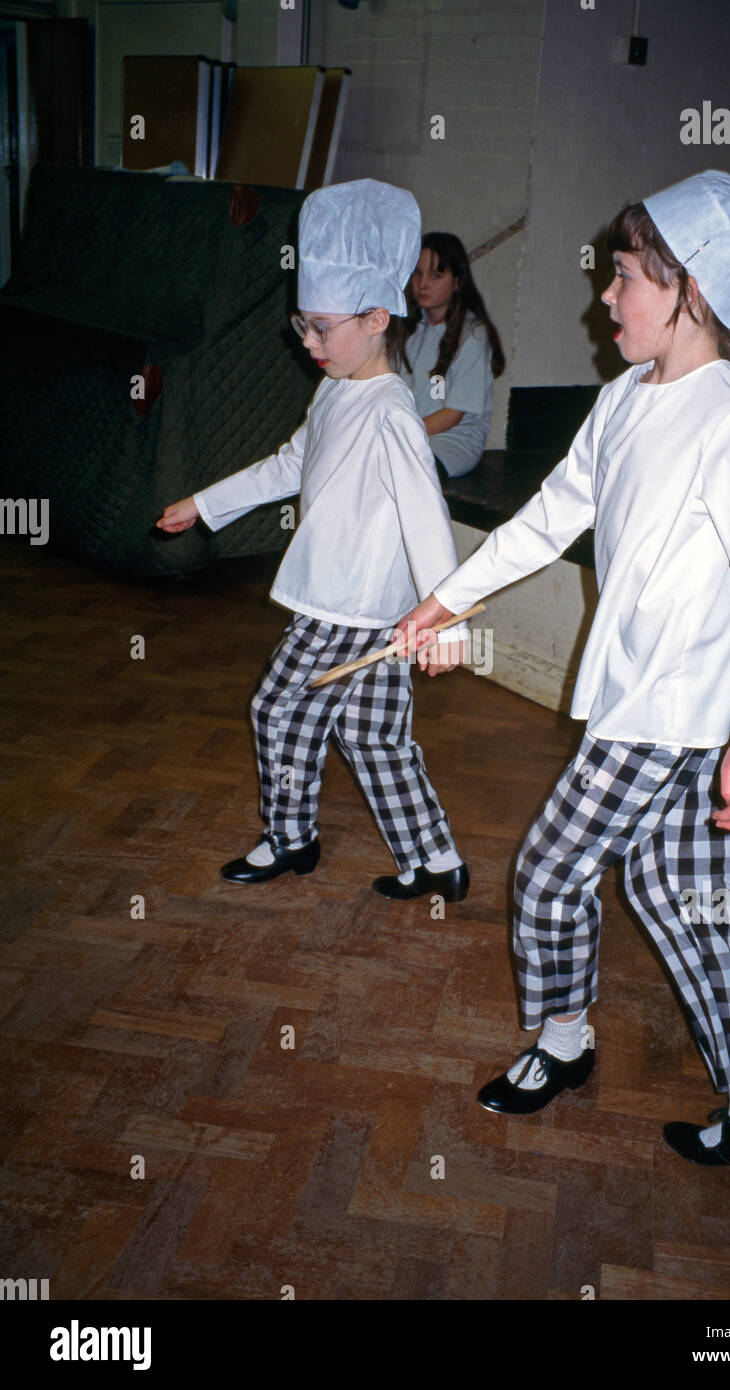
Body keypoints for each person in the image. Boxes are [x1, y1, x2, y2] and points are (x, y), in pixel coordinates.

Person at [396, 170, 730, 1180]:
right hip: (652, 706)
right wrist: (449, 596)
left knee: (546, 875)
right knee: (680, 902)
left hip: (670, 717)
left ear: (693, 292)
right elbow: (548, 516)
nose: (607, 296)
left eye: (625, 277)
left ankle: (564, 1042)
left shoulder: (724, 418)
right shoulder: (626, 397)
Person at [157, 179, 469, 903]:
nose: (307, 342)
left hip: (347, 604)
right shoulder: (337, 385)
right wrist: (205, 504)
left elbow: (426, 515)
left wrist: (443, 612)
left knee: (276, 708)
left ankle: (291, 839)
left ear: (375, 317)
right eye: (302, 325)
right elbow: (292, 462)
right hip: (362, 603)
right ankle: (435, 858)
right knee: (372, 739)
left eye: (320, 328)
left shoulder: (390, 413)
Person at [401, 232, 505, 480]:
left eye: (435, 275)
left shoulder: (472, 335)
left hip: (449, 442)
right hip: (409, 435)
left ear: (457, 281)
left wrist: (399, 434)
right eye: (418, 273)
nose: (423, 283)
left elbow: (453, 414)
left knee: (398, 474)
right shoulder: (411, 329)